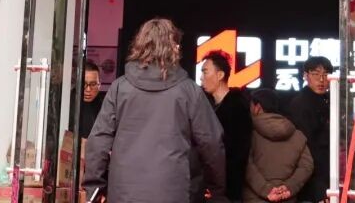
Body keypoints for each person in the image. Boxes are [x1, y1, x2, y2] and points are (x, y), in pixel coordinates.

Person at [84, 18, 229, 203]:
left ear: (139, 45)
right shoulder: (189, 91)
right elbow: (212, 142)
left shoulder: (120, 88)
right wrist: (216, 190)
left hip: (124, 193)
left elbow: (98, 141)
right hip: (172, 193)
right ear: (174, 48)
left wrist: (94, 189)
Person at [243, 88, 313, 203]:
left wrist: (265, 189)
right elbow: (307, 166)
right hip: (287, 199)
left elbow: (245, 164)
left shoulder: (248, 134)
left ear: (257, 107)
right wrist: (289, 187)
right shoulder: (297, 135)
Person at [201, 50, 253, 202]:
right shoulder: (209, 106)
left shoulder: (237, 108)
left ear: (220, 75)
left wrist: (218, 187)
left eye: (205, 72)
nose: (201, 77)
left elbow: (237, 154)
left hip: (225, 192)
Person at [285, 57, 334, 203]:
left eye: (326, 74)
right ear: (305, 76)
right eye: (316, 74)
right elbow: (307, 149)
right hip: (312, 177)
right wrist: (320, 190)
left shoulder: (331, 100)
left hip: (329, 171)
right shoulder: (300, 104)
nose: (321, 80)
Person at [79, 60, 105, 139]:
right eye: (84, 84)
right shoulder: (67, 103)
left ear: (99, 85)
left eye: (93, 84)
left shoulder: (106, 105)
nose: (88, 89)